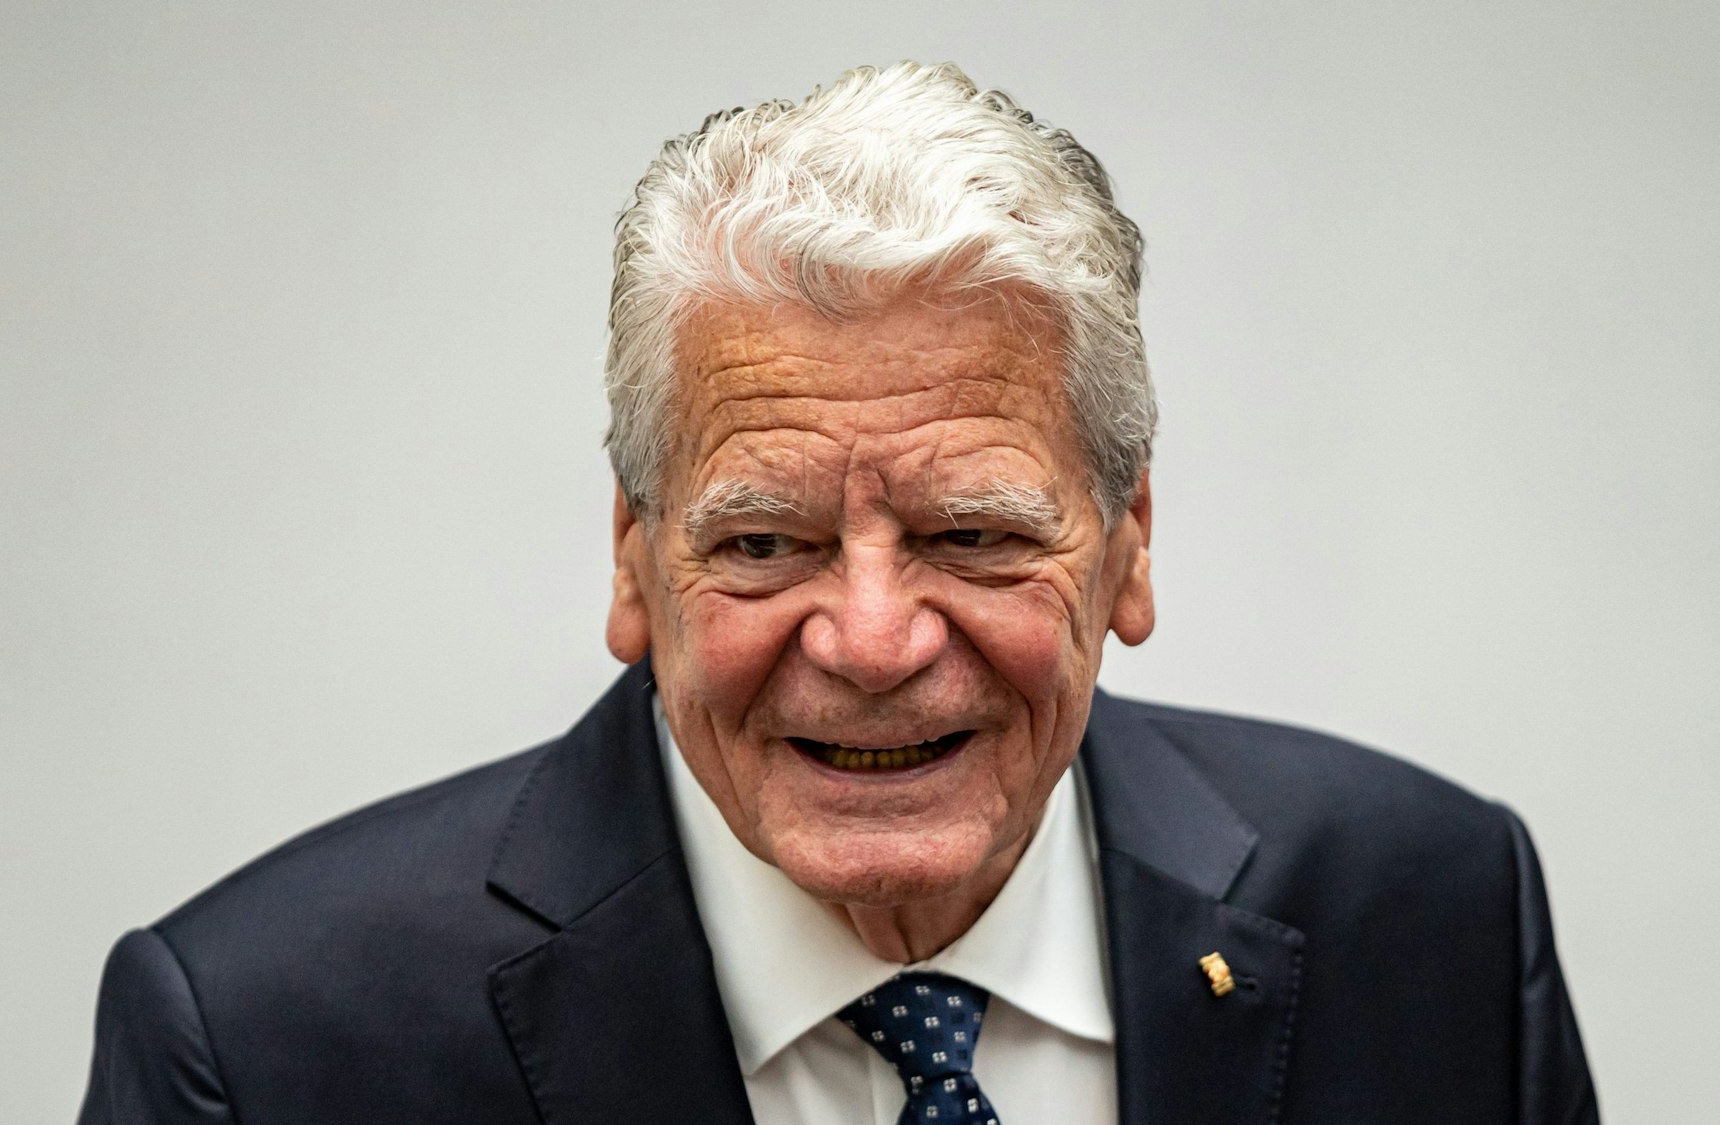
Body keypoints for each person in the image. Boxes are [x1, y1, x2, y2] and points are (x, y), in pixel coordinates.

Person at [78, 62, 1596, 1124]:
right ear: (631, 558)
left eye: (972, 534)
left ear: (1129, 544)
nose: (871, 642)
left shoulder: (1436, 922)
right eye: (764, 543)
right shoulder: (264, 1045)